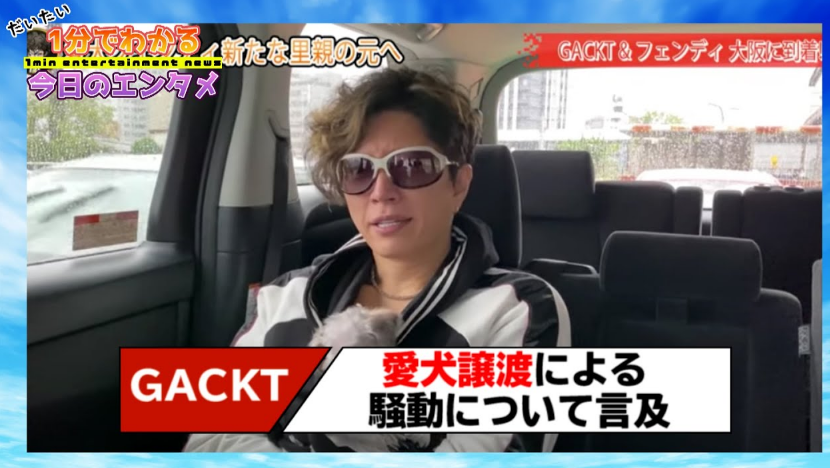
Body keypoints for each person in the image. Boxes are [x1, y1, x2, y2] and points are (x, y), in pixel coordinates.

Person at [184, 67, 571, 453]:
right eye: (358, 170)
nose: (381, 191)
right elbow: (210, 437)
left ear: (459, 184)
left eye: (413, 166)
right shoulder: (283, 297)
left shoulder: (516, 311)